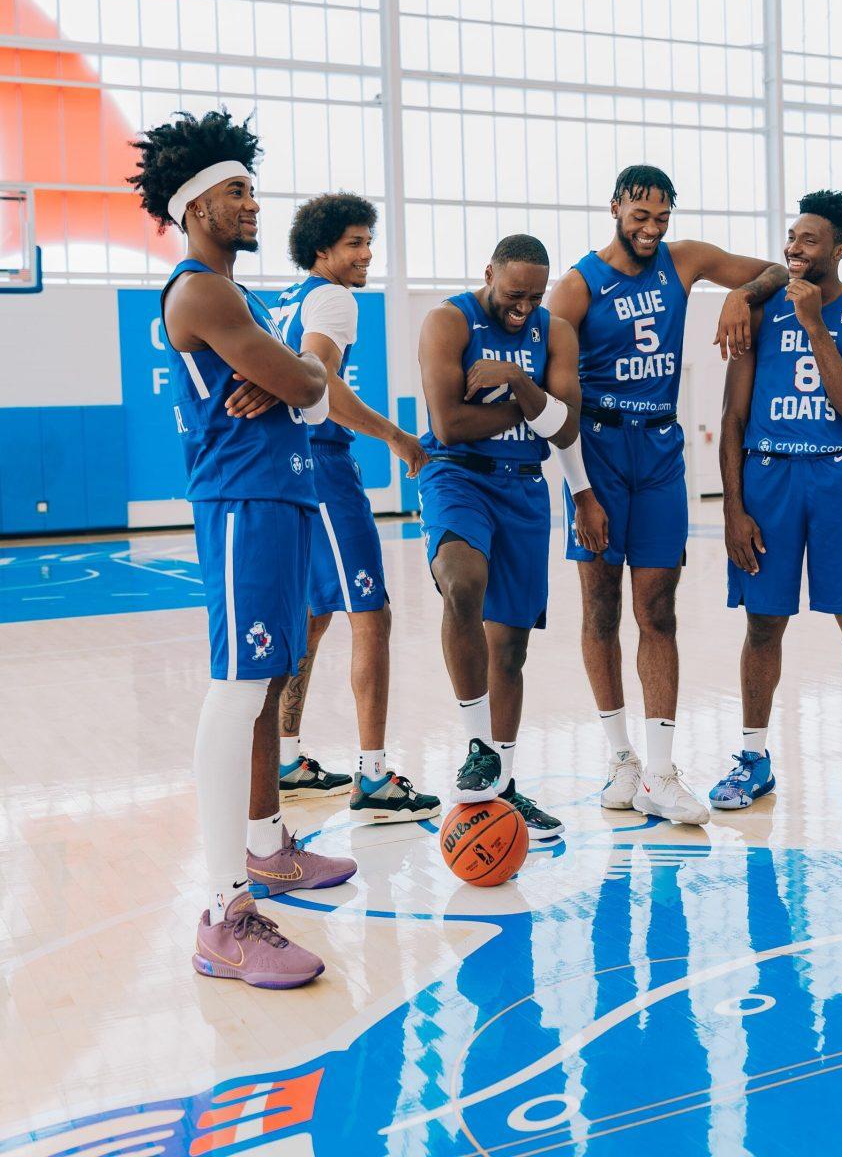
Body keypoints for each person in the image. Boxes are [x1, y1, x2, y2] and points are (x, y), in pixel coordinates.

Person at [130, 109, 357, 989]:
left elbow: (306, 387)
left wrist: (295, 382)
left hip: (282, 491)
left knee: (264, 689)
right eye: (236, 191)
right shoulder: (204, 291)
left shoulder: (243, 296)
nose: (252, 202)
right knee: (236, 691)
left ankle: (266, 846)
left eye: (253, 187)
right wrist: (293, 379)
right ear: (194, 206)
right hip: (241, 499)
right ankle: (224, 911)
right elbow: (309, 381)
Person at [548, 164, 789, 825]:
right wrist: (579, 491)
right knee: (599, 607)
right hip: (595, 449)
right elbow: (557, 403)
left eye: (661, 218)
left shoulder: (685, 261)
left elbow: (776, 270)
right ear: (615, 208)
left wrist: (741, 297)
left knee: (658, 609)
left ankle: (659, 770)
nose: (650, 230)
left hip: (658, 452)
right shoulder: (574, 289)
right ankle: (620, 758)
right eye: (639, 217)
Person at [710, 190, 842, 817]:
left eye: (809, 240)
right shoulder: (760, 305)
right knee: (763, 622)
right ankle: (753, 758)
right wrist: (732, 509)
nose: (793, 249)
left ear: (840, 249)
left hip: (838, 479)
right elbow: (733, 414)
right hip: (768, 478)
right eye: (791, 238)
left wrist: (814, 326)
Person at [274, 193, 440, 823]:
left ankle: (286, 759)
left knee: (315, 615)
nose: (367, 254)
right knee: (371, 614)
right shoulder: (332, 298)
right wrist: (395, 435)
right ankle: (373, 778)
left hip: (290, 465)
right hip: (322, 464)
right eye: (354, 243)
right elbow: (322, 383)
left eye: (369, 242)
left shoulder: (283, 302)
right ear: (323, 251)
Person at [417, 234, 586, 839]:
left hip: (522, 488)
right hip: (455, 475)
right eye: (514, 293)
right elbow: (451, 424)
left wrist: (517, 381)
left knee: (510, 649)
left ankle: (505, 787)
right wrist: (537, 408)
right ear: (488, 272)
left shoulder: (555, 332)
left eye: (535, 296)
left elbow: (567, 427)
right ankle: (476, 746)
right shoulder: (447, 322)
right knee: (463, 584)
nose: (524, 306)